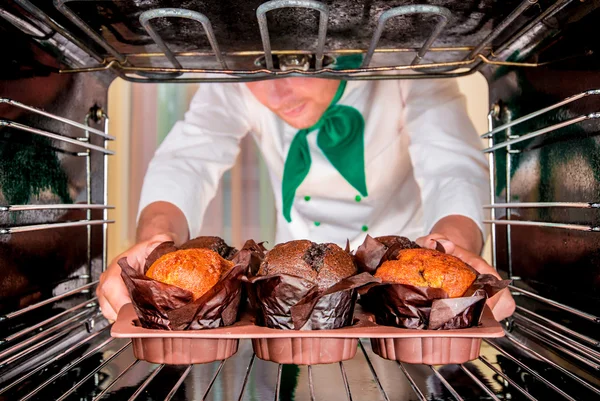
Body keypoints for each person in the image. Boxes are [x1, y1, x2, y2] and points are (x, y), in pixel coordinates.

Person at [97, 55, 515, 322]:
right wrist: (156, 242)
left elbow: (452, 166)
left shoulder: (406, 63)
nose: (277, 93)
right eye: (259, 72)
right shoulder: (237, 78)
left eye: (299, 64)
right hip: (290, 285)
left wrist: (451, 249)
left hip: (396, 287)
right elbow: (186, 160)